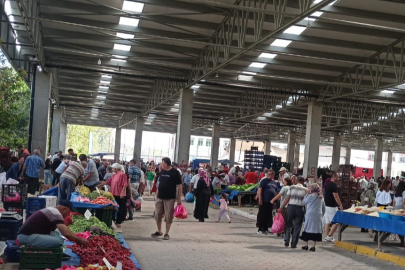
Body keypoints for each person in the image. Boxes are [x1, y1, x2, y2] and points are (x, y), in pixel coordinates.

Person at [17, 200, 88, 248]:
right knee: (59, 241)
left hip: (30, 234)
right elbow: (66, 233)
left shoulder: (53, 210)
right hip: (25, 237)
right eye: (69, 212)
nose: (68, 214)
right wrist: (79, 240)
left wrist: (77, 239)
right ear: (64, 209)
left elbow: (66, 231)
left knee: (56, 234)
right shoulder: (55, 213)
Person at [152, 157, 182, 240]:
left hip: (170, 198)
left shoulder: (175, 173)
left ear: (165, 164)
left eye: (162, 163)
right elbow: (159, 183)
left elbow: (179, 186)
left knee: (168, 215)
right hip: (160, 197)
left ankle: (166, 233)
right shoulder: (162, 172)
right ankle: (159, 231)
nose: (161, 165)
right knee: (157, 214)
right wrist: (157, 193)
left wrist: (179, 199)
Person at [279, 176, 307, 248]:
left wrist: (282, 207)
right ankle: (294, 243)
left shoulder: (291, 187)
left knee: (288, 224)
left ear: (296, 181)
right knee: (297, 226)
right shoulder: (306, 190)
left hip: (290, 207)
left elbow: (287, 198)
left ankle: (287, 240)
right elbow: (306, 201)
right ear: (303, 182)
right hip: (300, 209)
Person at [98, 163, 128, 228]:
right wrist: (99, 185)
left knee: (119, 208)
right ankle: (114, 220)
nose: (112, 169)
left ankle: (118, 222)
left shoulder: (122, 174)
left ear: (116, 168)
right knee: (114, 207)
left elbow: (125, 185)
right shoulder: (114, 175)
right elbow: (107, 182)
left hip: (119, 194)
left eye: (113, 168)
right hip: (113, 193)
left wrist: (122, 193)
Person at [299, 183, 325, 252]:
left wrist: (306, 195)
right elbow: (323, 208)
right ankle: (313, 246)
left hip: (310, 214)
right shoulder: (321, 197)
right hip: (318, 214)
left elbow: (303, 202)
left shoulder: (310, 196)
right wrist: (321, 215)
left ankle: (306, 245)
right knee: (315, 229)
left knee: (307, 227)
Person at [323, 172, 343, 242]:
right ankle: (330, 236)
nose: (339, 178)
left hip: (326, 205)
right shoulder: (333, 185)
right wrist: (340, 204)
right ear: (334, 177)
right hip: (332, 206)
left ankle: (327, 236)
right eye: (338, 177)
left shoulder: (327, 184)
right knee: (337, 221)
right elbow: (336, 196)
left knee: (327, 222)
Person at [257, 169, 278, 235]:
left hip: (271, 201)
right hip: (264, 200)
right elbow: (260, 190)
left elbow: (276, 192)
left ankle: (265, 228)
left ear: (273, 175)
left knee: (268, 215)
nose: (270, 175)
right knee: (262, 215)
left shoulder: (274, 182)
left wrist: (275, 200)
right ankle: (260, 229)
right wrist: (260, 199)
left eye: (271, 174)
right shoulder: (264, 181)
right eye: (268, 174)